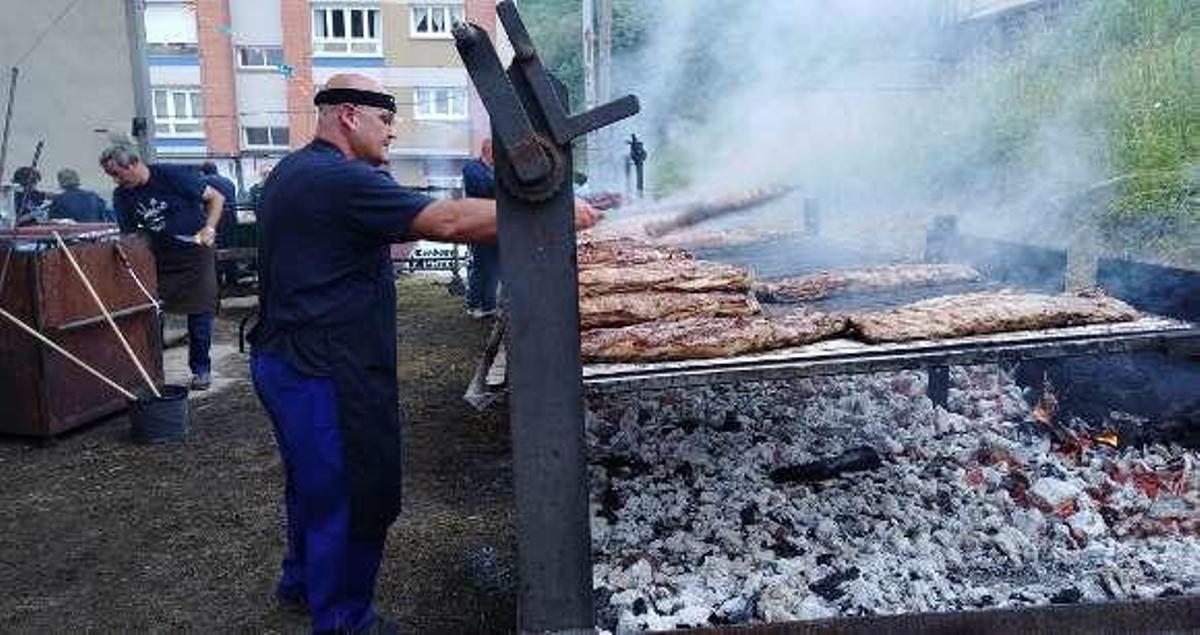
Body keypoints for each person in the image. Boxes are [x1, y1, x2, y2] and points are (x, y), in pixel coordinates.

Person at [248, 73, 599, 634]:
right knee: (352, 487)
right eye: (385, 120)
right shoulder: (336, 180)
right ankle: (344, 619)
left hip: (287, 357)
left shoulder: (297, 170)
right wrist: (551, 210)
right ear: (348, 116)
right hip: (325, 368)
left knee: (310, 480)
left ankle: (302, 581)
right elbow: (447, 220)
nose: (392, 132)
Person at [100, 144, 225, 391]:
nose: (115, 180)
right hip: (157, 259)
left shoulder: (172, 175)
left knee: (200, 312)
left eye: (117, 173)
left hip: (195, 255)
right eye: (110, 175)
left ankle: (201, 369)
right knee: (150, 311)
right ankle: (152, 371)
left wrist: (209, 227)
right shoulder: (122, 195)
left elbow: (216, 198)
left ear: (133, 164)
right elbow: (130, 234)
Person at [462, 138, 499, 318]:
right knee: (482, 265)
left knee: (494, 266)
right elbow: (484, 188)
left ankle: (489, 305)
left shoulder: (494, 170)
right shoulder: (472, 168)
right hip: (479, 224)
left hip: (495, 225)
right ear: (488, 151)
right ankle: (474, 304)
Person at [199, 161, 239, 286]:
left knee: (213, 251)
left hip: (212, 221)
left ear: (203, 171)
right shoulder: (229, 182)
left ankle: (217, 281)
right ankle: (232, 279)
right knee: (230, 248)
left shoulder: (202, 182)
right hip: (230, 220)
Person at [48, 168, 112, 223]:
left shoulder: (58, 200)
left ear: (61, 183)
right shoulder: (94, 196)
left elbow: (52, 222)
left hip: (72, 235)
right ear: (77, 180)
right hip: (97, 233)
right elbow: (106, 216)